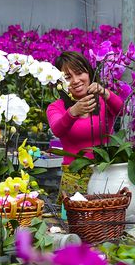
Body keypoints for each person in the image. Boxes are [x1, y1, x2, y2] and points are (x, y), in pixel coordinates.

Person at [46, 51, 123, 196]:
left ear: (89, 72)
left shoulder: (102, 100)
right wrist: (72, 112)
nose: (75, 80)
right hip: (74, 176)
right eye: (68, 77)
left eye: (79, 73)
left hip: (105, 173)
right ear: (59, 82)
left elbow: (122, 110)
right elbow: (57, 129)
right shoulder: (56, 107)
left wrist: (105, 92)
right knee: (74, 217)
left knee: (107, 217)